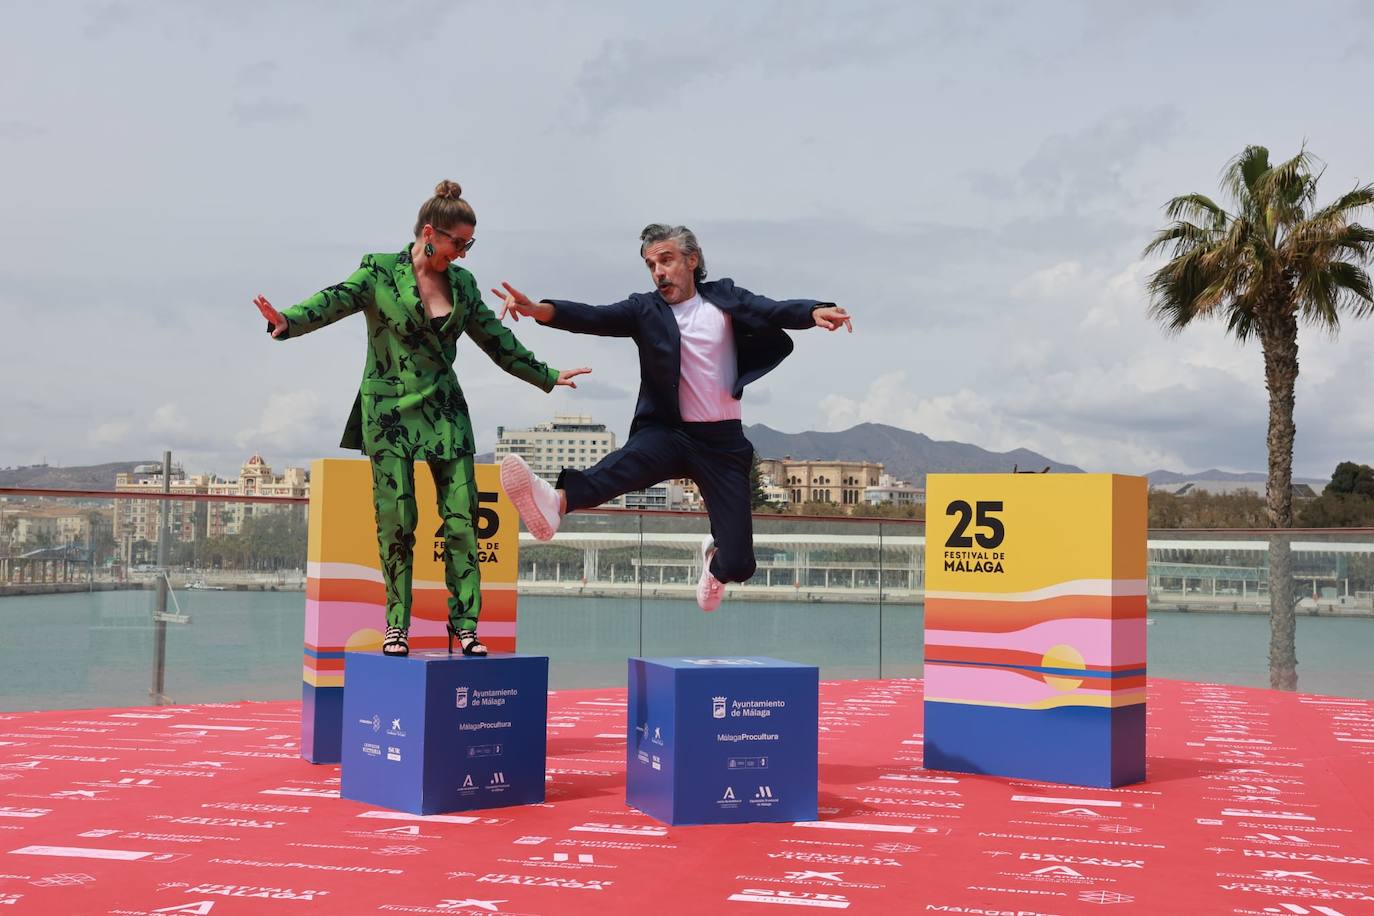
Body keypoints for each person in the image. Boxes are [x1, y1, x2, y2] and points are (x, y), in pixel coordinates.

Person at [253, 180, 589, 657]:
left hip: (445, 411)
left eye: (469, 245)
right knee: (397, 521)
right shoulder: (379, 272)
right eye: (458, 243)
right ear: (429, 233)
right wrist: (286, 320)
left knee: (461, 520)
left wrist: (548, 375)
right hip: (388, 413)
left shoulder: (464, 286)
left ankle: (466, 625)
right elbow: (333, 300)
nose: (464, 254)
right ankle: (396, 625)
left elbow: (497, 341)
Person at [492, 223, 851, 612]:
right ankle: (554, 501)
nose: (658, 271)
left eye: (666, 260)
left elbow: (770, 308)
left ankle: (715, 564)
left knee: (741, 565)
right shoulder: (645, 310)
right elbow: (594, 317)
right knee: (621, 468)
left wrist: (813, 310)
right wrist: (538, 311)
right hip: (668, 430)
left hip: (722, 443)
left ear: (691, 260)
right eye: (650, 265)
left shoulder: (723, 297)